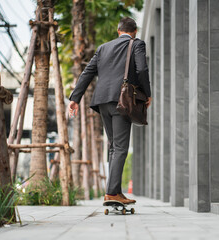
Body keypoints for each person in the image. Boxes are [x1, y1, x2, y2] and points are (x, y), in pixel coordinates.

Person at [67, 17, 152, 204]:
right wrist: (147, 94)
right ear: (134, 31)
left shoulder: (103, 48)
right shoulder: (137, 44)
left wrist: (75, 98)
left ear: (118, 30)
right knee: (120, 147)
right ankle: (112, 193)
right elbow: (142, 69)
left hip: (102, 101)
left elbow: (87, 72)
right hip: (121, 100)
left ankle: (114, 192)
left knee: (114, 147)